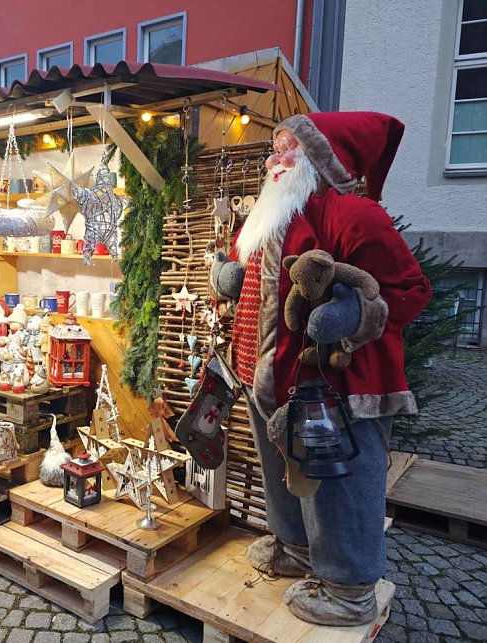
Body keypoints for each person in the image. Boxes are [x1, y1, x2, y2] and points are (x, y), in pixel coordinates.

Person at [211, 112, 431, 626]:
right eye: (276, 148)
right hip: (266, 378)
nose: (276, 159)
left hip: (332, 384)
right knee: (283, 475)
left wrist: (357, 314)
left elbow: (409, 292)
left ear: (320, 160)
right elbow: (254, 278)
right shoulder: (270, 214)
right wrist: (229, 276)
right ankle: (297, 550)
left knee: (339, 480)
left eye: (290, 149)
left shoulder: (354, 216)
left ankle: (349, 588)